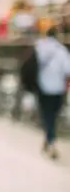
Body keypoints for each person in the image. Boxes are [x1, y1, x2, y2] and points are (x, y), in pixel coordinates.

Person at [34, 26, 70, 160]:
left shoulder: (39, 47)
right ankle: (51, 142)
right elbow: (68, 70)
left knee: (47, 115)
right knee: (52, 116)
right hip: (58, 89)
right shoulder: (62, 51)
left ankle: (48, 140)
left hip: (43, 87)